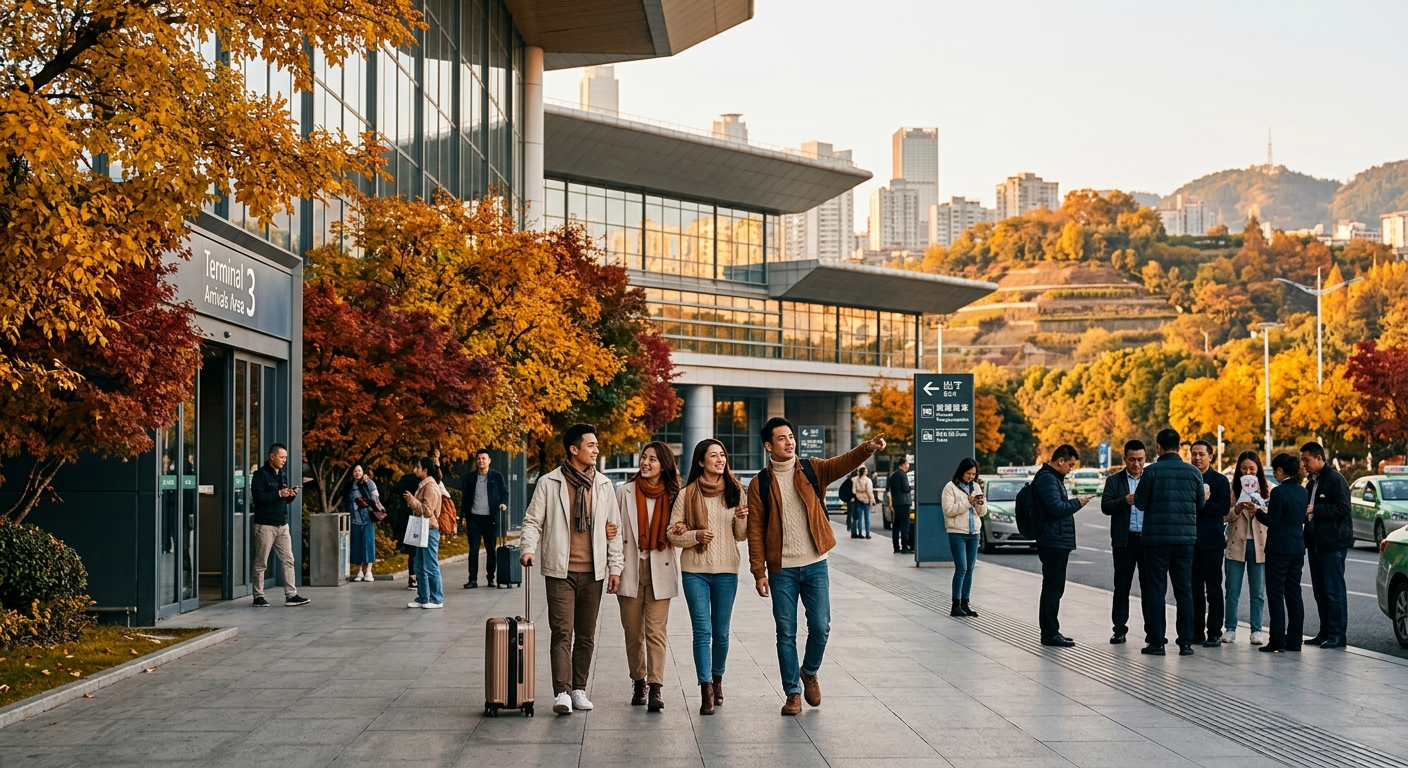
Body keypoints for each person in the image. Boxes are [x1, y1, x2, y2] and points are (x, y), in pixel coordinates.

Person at [747, 417, 885, 716]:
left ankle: (809, 671)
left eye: (790, 436)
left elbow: (842, 463)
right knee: (785, 633)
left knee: (821, 627)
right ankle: (792, 693)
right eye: (781, 438)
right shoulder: (760, 483)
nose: (789, 442)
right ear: (769, 446)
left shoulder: (811, 468)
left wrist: (868, 448)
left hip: (815, 564)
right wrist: (759, 572)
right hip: (781, 569)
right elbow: (755, 529)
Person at [519, 423, 624, 716]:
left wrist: (615, 567)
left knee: (586, 634)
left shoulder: (603, 485)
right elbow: (532, 521)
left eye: (597, 445)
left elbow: (613, 531)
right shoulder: (549, 483)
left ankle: (579, 688)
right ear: (573, 449)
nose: (596, 450)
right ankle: (562, 692)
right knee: (562, 632)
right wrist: (527, 549)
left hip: (594, 572)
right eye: (591, 445)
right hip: (560, 570)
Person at [669, 439, 748, 716]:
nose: (720, 459)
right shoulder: (686, 493)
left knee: (722, 633)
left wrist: (741, 518)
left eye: (722, 454)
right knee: (702, 632)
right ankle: (705, 688)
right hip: (695, 572)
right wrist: (695, 536)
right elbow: (672, 533)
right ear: (701, 462)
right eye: (713, 455)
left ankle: (718, 679)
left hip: (726, 571)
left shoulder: (736, 490)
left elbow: (741, 535)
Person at [614, 441, 680, 713]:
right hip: (630, 568)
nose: (646, 463)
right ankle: (638, 680)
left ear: (663, 465)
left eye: (652, 459)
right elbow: (615, 531)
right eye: (644, 458)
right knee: (633, 633)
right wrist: (613, 569)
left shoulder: (675, 495)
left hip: (660, 568)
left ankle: (655, 687)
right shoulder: (624, 492)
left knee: (656, 632)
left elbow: (681, 530)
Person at [1134, 428, 1204, 656]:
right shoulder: (1193, 473)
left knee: (1156, 589)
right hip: (1185, 540)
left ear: (1158, 447)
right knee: (1184, 590)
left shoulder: (1150, 472)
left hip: (1155, 540)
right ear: (1180, 446)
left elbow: (1141, 503)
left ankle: (1156, 642)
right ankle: (1185, 642)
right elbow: (1200, 503)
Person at [1031, 444, 1089, 647]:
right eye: (1070, 465)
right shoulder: (1048, 478)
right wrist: (1077, 503)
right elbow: (1056, 507)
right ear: (1060, 461)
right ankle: (1049, 633)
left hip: (1055, 539)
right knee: (1053, 588)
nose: (1070, 469)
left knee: (1054, 587)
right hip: (1052, 540)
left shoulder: (1052, 478)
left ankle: (1051, 631)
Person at [1301, 441, 1353, 649]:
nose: (1303, 464)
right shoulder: (1311, 482)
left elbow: (1343, 508)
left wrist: (1316, 509)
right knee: (1320, 590)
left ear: (1319, 458)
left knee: (1334, 590)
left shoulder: (1335, 479)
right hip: (1315, 542)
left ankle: (1338, 634)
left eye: (1307, 460)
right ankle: (1324, 632)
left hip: (1333, 542)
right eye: (1302, 460)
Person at [1256, 453, 1308, 653]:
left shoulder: (1279, 492)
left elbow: (1273, 521)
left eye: (1276, 471)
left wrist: (1257, 512)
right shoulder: (1302, 492)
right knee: (1294, 593)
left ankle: (1277, 640)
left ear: (1280, 470)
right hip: (1296, 548)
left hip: (1278, 550)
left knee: (1276, 595)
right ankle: (1295, 641)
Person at [250, 443, 310, 607]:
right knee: (261, 563)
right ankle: (258, 596)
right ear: (272, 457)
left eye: (285, 457)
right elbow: (259, 499)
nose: (284, 460)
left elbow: (283, 499)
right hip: (265, 526)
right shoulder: (259, 475)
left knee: (289, 560)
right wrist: (279, 493)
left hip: (282, 525)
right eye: (282, 457)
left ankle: (291, 595)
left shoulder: (281, 475)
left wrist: (290, 495)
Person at [1101, 440, 1147, 644]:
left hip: (1148, 541)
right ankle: (1119, 629)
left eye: (1140, 460)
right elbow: (1106, 506)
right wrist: (1124, 501)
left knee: (1150, 587)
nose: (1136, 464)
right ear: (1124, 459)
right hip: (1124, 540)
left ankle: (1153, 630)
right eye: (1132, 460)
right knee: (1121, 587)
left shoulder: (1151, 478)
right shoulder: (1114, 481)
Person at [1223, 451, 1269, 645]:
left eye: (1251, 468)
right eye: (1243, 468)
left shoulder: (1267, 491)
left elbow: (1271, 517)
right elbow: (1224, 516)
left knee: (1258, 591)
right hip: (1236, 543)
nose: (1247, 472)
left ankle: (1256, 629)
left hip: (1259, 545)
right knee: (1232, 590)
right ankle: (1230, 628)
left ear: (1257, 470)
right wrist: (1237, 509)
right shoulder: (1231, 490)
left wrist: (1258, 508)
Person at [1188, 440, 1230, 646]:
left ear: (1210, 457)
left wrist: (1202, 503)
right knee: (1194, 589)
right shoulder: (1187, 477)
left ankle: (1214, 631)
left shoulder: (1220, 480)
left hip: (1212, 542)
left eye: (1201, 454)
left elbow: (1223, 508)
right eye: (1194, 454)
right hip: (1189, 541)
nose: (1197, 458)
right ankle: (1196, 631)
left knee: (1213, 589)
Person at [942, 457, 986, 618]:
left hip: (974, 532)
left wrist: (980, 504)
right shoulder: (950, 487)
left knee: (970, 569)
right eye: (968, 473)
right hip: (957, 532)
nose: (971, 477)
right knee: (961, 568)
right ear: (961, 472)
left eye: (974, 474)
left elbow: (983, 513)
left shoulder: (975, 487)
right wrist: (968, 502)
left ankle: (965, 603)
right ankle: (955, 604)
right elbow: (948, 510)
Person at [462, 449, 509, 589]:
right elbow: (465, 498)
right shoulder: (469, 477)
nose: (481, 461)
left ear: (489, 460)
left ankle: (490, 578)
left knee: (491, 549)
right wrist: (464, 516)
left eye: (483, 458)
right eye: (478, 459)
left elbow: (504, 492)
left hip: (490, 518)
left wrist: (503, 503)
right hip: (474, 518)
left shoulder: (497, 476)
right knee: (473, 550)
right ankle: (472, 579)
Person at [402, 457, 445, 609]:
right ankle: (423, 597)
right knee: (419, 564)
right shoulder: (423, 485)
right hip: (422, 529)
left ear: (425, 470)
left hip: (430, 530)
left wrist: (412, 501)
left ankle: (437, 599)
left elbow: (427, 511)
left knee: (430, 565)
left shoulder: (431, 486)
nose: (415, 470)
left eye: (417, 467)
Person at [346, 465, 380, 582]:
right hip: (354, 518)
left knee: (368, 543)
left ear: (363, 471)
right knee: (356, 545)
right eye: (355, 471)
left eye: (359, 470)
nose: (357, 473)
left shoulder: (369, 482)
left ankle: (369, 571)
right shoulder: (350, 485)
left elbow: (375, 497)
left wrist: (367, 504)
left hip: (367, 517)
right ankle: (359, 571)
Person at [889, 458, 913, 554]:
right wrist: (910, 488)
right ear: (903, 464)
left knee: (896, 526)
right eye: (907, 463)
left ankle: (896, 546)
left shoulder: (894, 474)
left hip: (896, 503)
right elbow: (905, 488)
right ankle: (905, 546)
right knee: (904, 526)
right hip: (904, 503)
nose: (908, 465)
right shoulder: (902, 474)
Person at [851, 467, 875, 539]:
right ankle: (868, 533)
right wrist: (872, 500)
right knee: (867, 517)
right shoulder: (868, 480)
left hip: (858, 498)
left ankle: (860, 532)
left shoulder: (855, 479)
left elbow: (853, 490)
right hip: (866, 499)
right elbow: (869, 492)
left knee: (859, 517)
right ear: (864, 472)